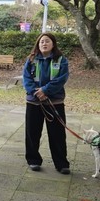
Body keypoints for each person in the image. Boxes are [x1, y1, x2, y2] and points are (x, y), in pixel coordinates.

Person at [22, 32, 70, 174]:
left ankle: (61, 163)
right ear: (38, 44)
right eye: (42, 41)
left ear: (53, 44)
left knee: (57, 134)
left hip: (54, 102)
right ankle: (33, 160)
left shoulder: (61, 60)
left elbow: (61, 79)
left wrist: (45, 91)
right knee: (32, 133)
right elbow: (26, 79)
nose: (44, 43)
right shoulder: (31, 59)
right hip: (34, 103)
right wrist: (36, 93)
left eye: (47, 41)